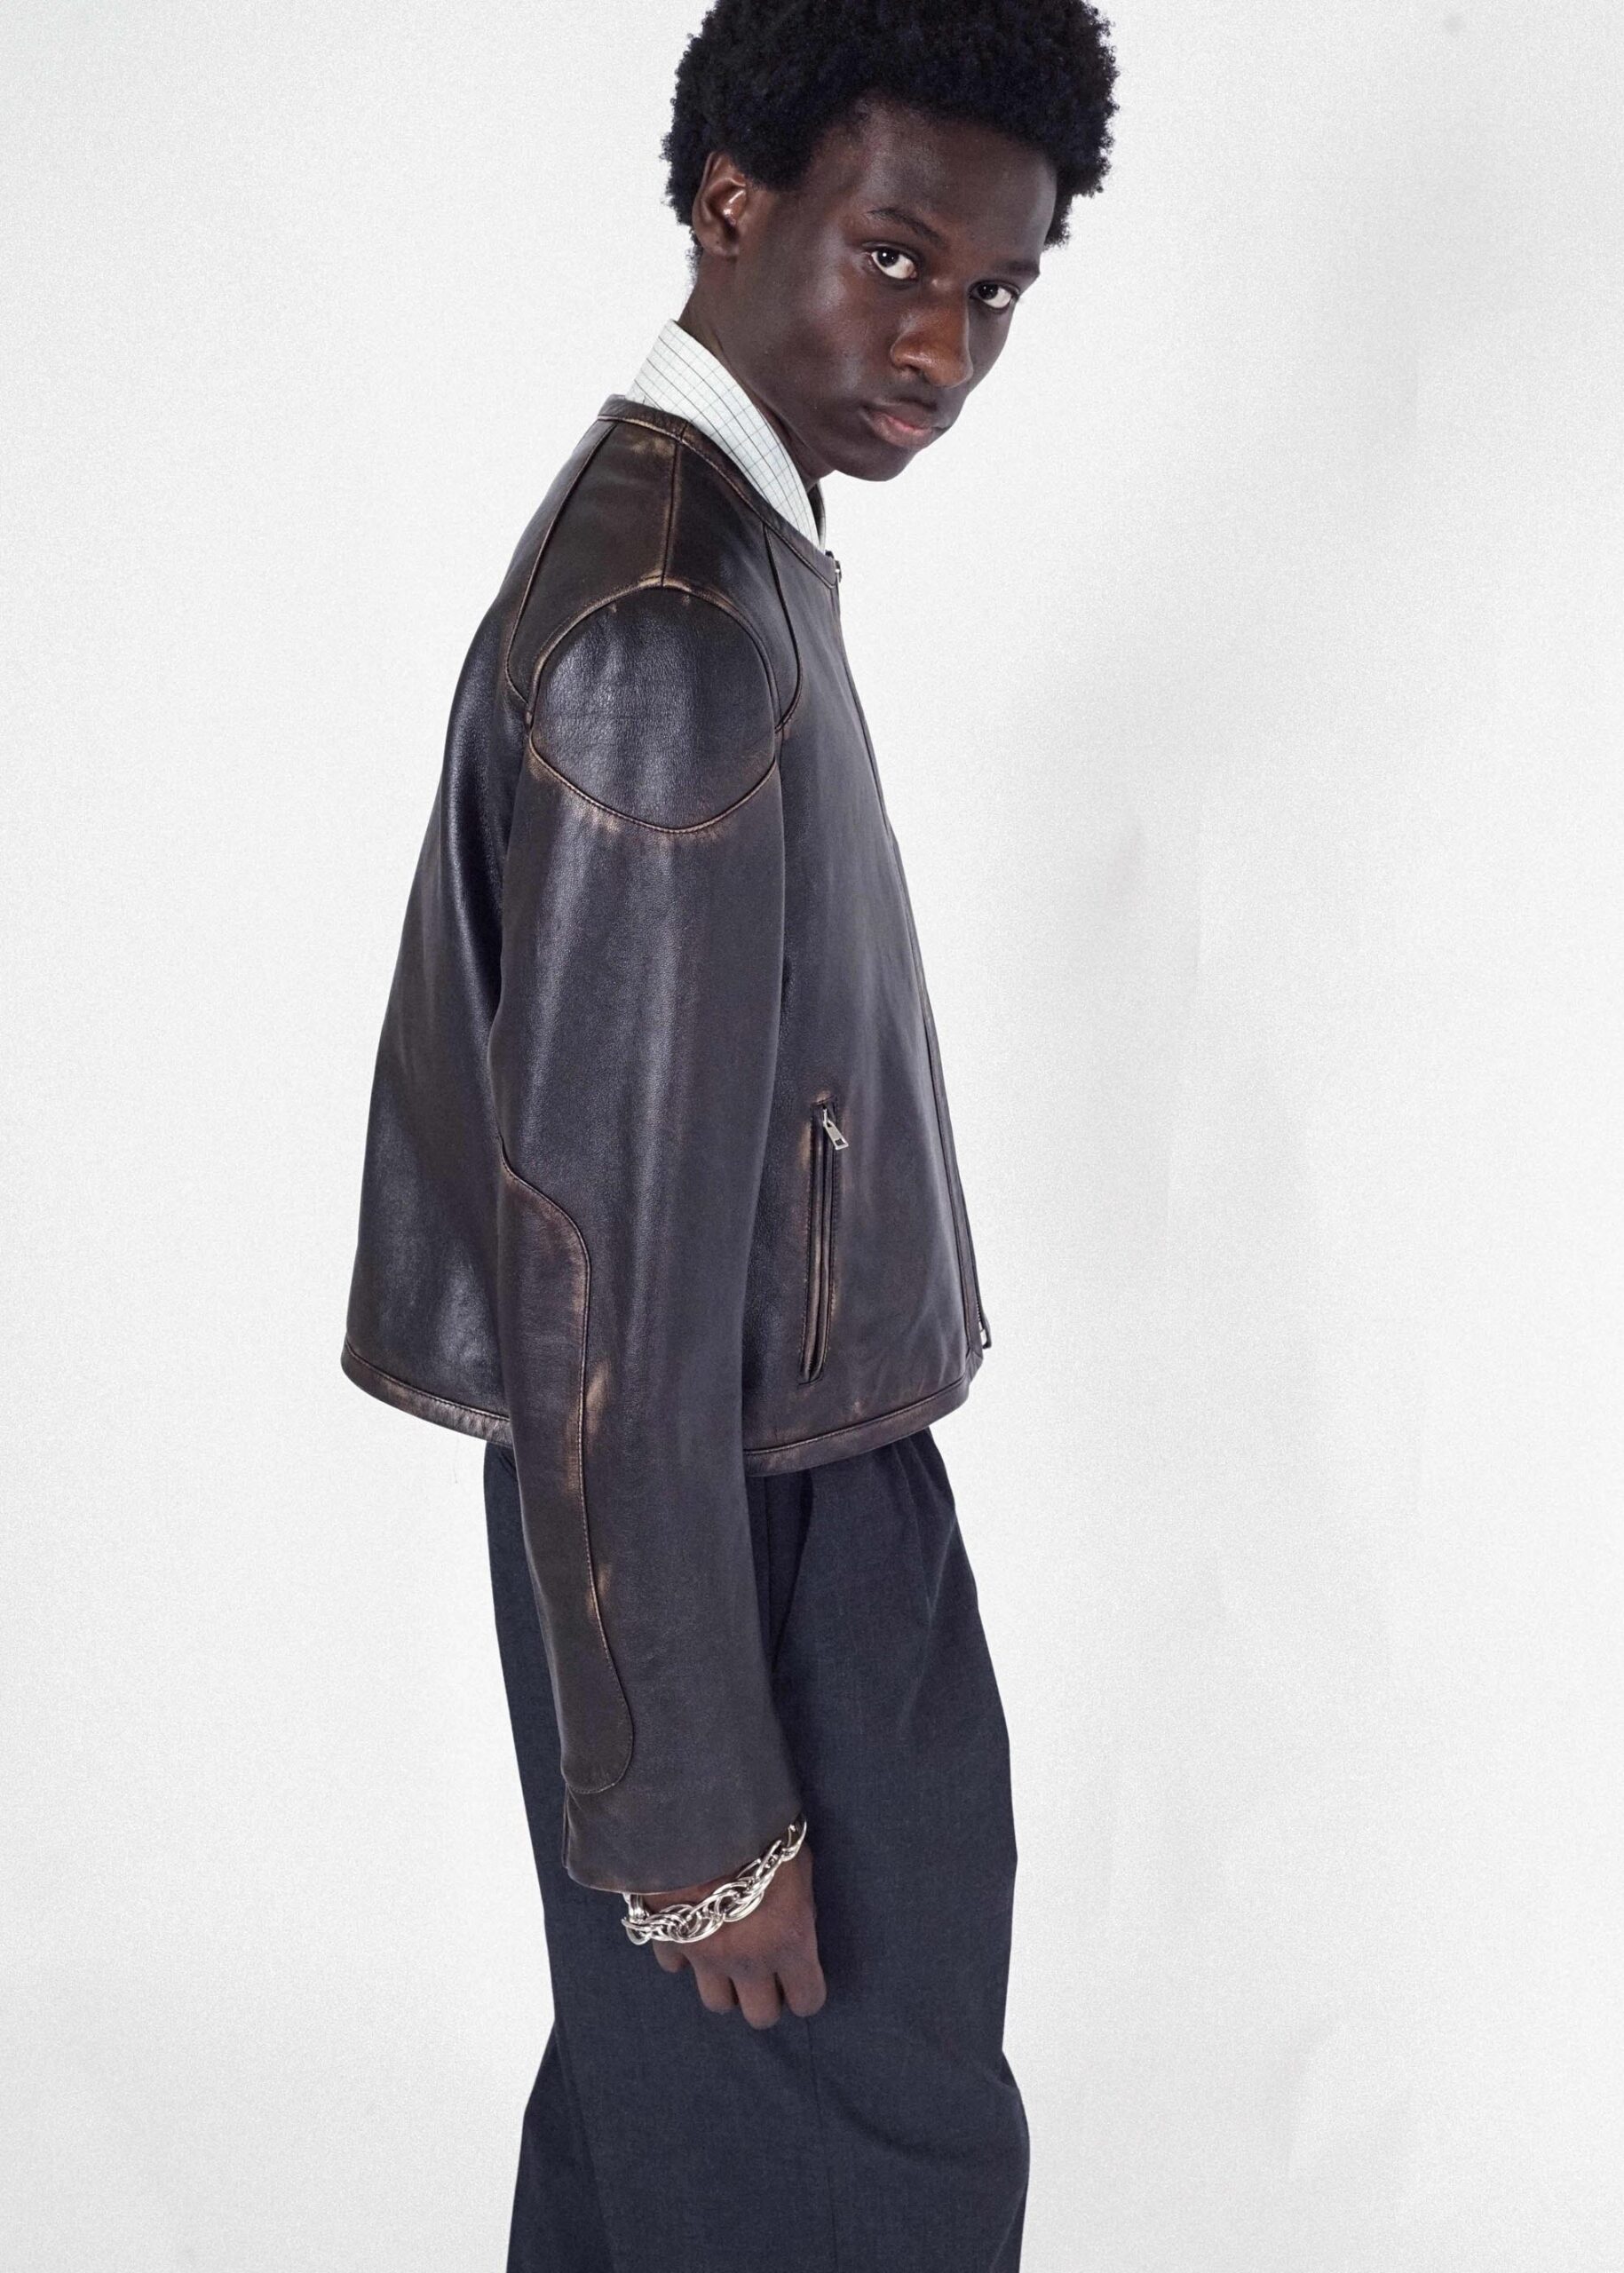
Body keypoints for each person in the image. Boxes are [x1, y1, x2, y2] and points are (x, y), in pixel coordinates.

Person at [339, 1, 1117, 2263]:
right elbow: (600, 1286)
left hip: (739, 1499)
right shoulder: (672, 628)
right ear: (733, 203)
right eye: (897, 259)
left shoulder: (718, 552)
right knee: (846, 2172)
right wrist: (692, 1804)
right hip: (744, 1540)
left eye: (994, 293)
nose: (943, 347)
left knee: (673, 2158)